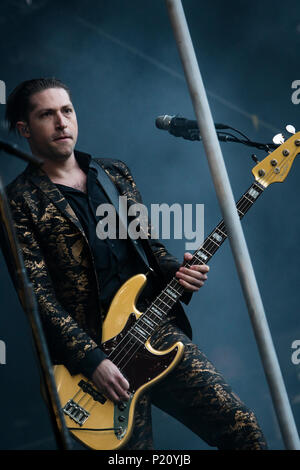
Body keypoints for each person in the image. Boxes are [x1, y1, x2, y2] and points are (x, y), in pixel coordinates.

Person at [4, 78, 267, 450]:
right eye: (47, 114)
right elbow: (37, 296)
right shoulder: (19, 201)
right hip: (93, 360)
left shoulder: (113, 175)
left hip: (153, 330)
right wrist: (91, 359)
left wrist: (179, 270)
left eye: (67, 110)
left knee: (244, 430)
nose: (62, 122)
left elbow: (149, 245)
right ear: (24, 129)